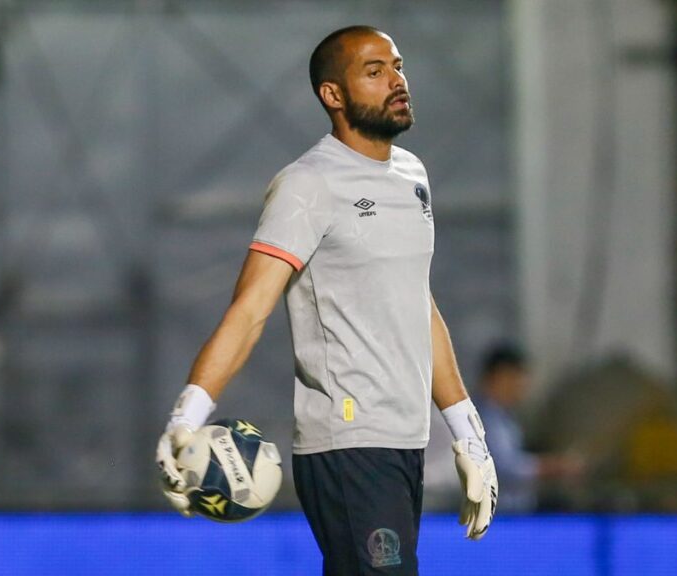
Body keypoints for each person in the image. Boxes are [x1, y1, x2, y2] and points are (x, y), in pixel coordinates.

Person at [156, 25, 498, 574]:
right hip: (347, 444)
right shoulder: (308, 184)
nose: (397, 80)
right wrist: (186, 416)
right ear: (332, 96)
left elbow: (416, 304)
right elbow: (250, 309)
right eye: (374, 71)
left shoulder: (413, 175)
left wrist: (467, 432)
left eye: (398, 66)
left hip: (405, 442)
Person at [476, 345, 584, 512]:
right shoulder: (482, 418)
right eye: (517, 378)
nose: (522, 386)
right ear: (500, 377)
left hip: (511, 515)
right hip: (497, 519)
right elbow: (505, 468)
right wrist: (556, 467)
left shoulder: (505, 418)